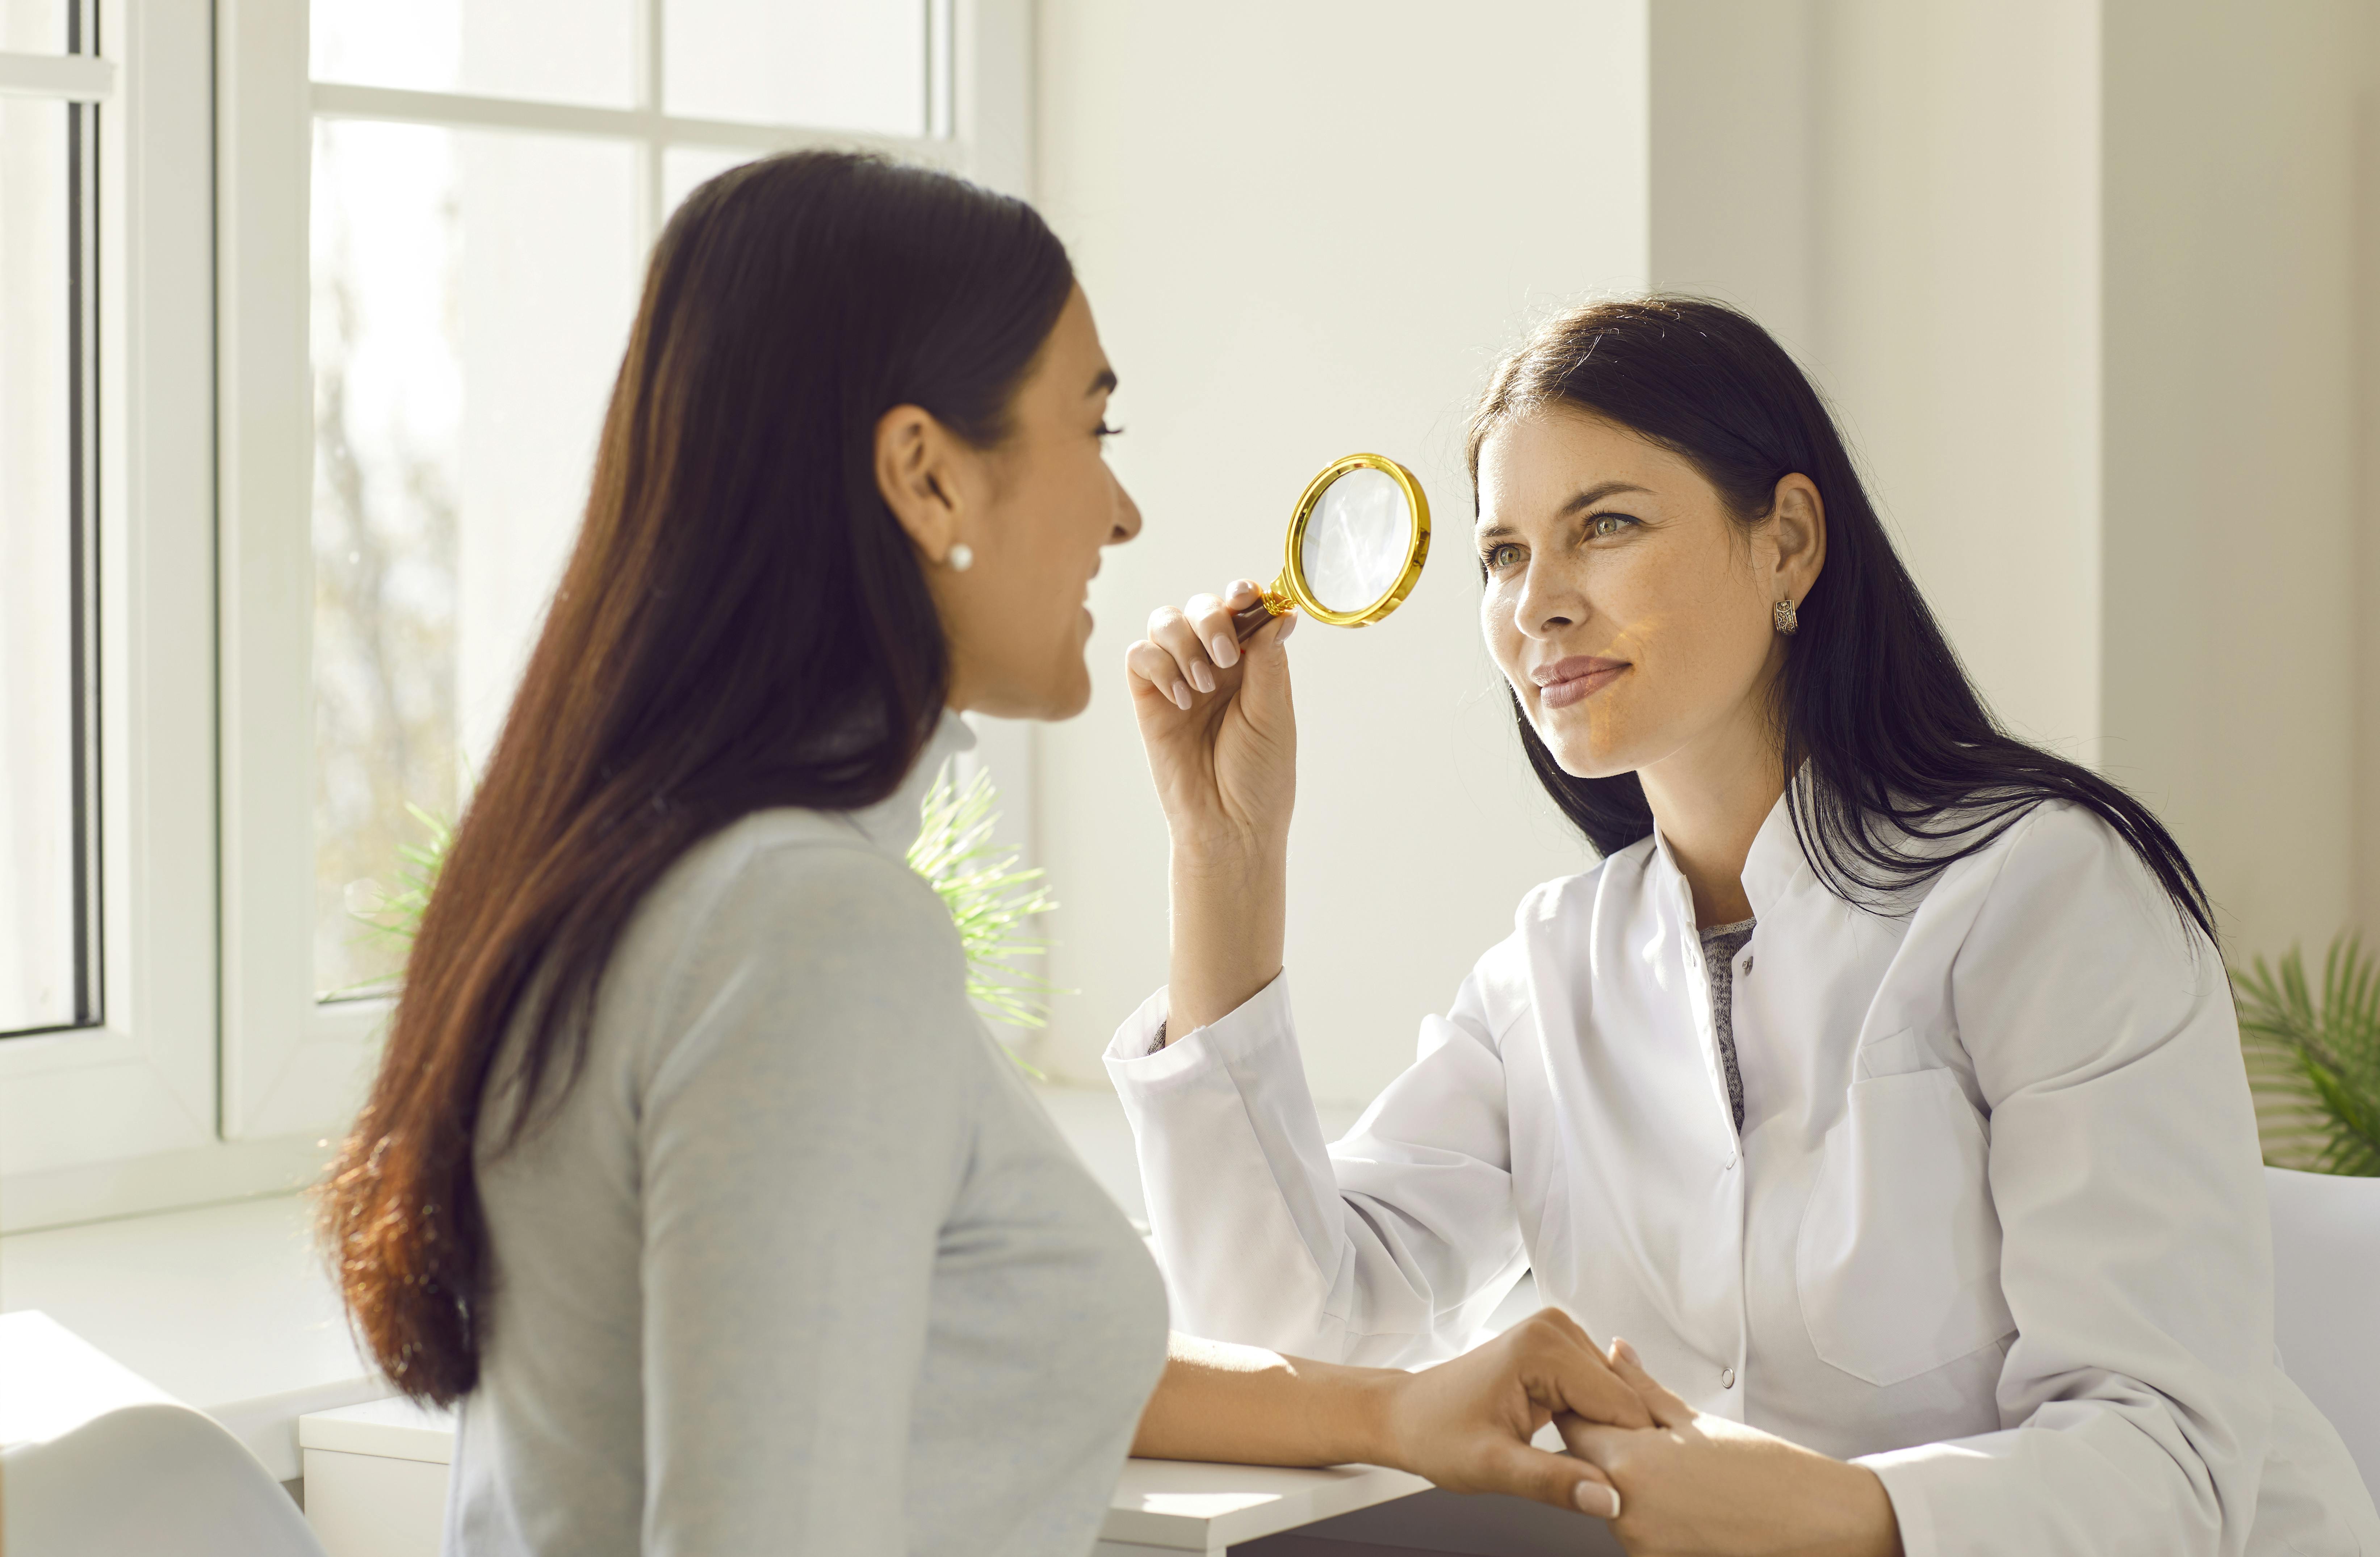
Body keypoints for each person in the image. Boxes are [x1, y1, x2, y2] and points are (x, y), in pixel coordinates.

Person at [318, 152, 1658, 1557]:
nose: (1120, 514)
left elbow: (895, 1342)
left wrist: (1380, 1412)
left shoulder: (656, 874)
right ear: (925, 476)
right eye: (1092, 428)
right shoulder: (809, 928)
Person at [1117, 296, 2380, 1556]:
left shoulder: (2049, 894)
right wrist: (1223, 852)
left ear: (1785, 543)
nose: (1538, 603)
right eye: (1502, 555)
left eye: (1603, 525)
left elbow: (2166, 1470)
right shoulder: (1550, 970)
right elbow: (1287, 1332)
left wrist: (1822, 1509)